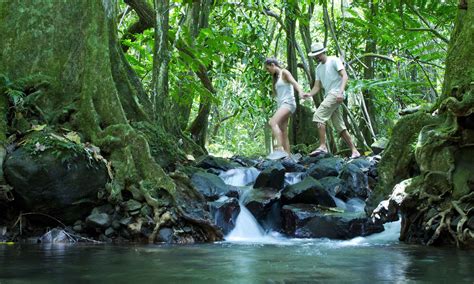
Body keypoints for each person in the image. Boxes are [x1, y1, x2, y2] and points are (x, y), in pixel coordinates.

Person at [303, 43, 361, 158]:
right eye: (314, 56)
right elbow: (317, 86)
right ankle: (355, 151)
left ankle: (323, 146)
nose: (316, 58)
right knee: (339, 126)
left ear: (322, 52)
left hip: (336, 94)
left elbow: (345, 76)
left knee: (319, 116)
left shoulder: (334, 60)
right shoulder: (319, 68)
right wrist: (308, 94)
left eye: (317, 55)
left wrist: (340, 92)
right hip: (329, 95)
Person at [264, 58, 305, 158]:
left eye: (268, 68)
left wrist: (300, 92)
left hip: (288, 103)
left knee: (272, 122)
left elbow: (295, 83)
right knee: (283, 130)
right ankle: (288, 155)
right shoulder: (276, 78)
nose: (268, 71)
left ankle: (280, 148)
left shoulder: (284, 73)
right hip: (282, 105)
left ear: (273, 65)